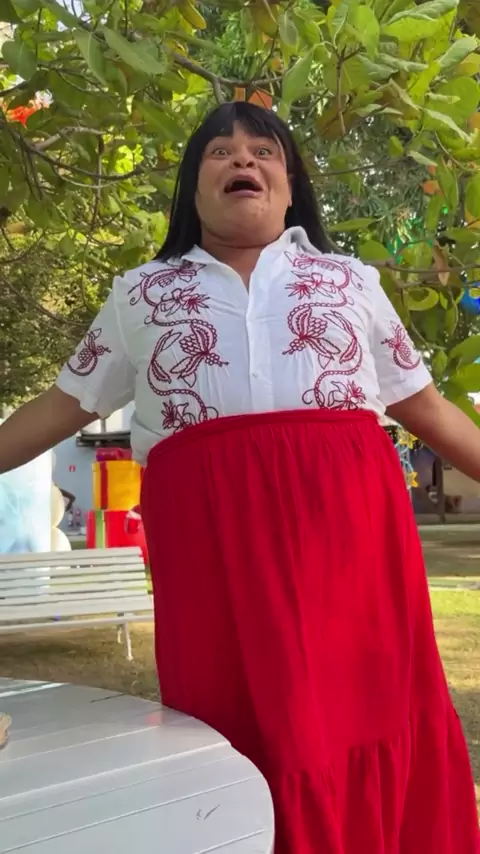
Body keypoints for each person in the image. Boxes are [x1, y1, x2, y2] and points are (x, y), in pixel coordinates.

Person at [0, 101, 478, 854]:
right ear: (194, 188)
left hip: (350, 548)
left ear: (290, 188)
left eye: (264, 151)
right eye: (219, 152)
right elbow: (65, 404)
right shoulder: (140, 294)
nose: (243, 160)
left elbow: (426, 406)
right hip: (212, 550)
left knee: (369, 712)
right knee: (236, 723)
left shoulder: (351, 282)